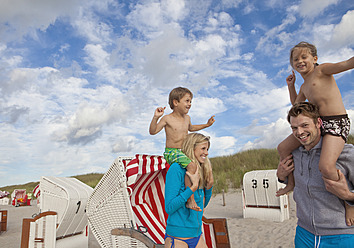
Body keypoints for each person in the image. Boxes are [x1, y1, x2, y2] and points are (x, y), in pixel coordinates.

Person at [276, 41, 354, 223]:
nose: (300, 61)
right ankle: (291, 183)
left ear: (315, 58)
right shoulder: (303, 86)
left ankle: (349, 202)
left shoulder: (322, 70)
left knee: (326, 166)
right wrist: (291, 86)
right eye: (296, 59)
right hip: (317, 123)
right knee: (282, 148)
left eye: (304, 57)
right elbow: (296, 105)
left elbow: (347, 63)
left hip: (336, 122)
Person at [277, 102, 354, 247]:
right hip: (304, 233)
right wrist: (282, 177)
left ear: (318, 123)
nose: (299, 132)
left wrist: (348, 196)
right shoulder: (294, 154)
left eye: (304, 125)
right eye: (294, 128)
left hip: (341, 235)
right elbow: (294, 183)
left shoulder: (345, 153)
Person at [149, 87, 215, 211]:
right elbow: (153, 131)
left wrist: (206, 125)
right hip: (172, 152)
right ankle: (190, 199)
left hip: (184, 152)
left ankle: (201, 196)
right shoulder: (167, 119)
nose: (190, 104)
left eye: (190, 101)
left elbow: (192, 128)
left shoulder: (187, 118)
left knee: (202, 167)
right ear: (175, 102)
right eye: (187, 101)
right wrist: (156, 117)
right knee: (191, 166)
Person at [164, 133, 213, 248]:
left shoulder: (200, 170)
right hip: (177, 238)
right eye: (203, 148)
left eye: (207, 149)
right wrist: (192, 189)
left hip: (197, 235)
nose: (206, 153)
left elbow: (202, 205)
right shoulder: (176, 169)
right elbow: (169, 207)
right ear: (192, 148)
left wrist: (209, 187)